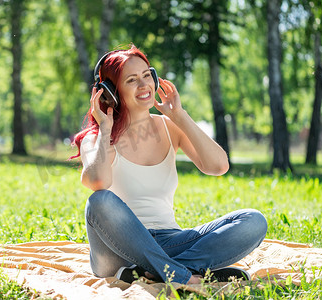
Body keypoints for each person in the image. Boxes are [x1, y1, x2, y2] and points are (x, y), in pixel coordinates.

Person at [71, 44, 267, 285]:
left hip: (170, 242)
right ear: (111, 92)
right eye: (132, 80)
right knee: (99, 200)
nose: (144, 85)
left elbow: (218, 166)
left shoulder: (169, 126)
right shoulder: (96, 137)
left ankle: (160, 272)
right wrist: (105, 129)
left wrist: (179, 116)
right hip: (116, 252)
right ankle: (186, 274)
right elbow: (99, 181)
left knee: (252, 220)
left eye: (146, 75)